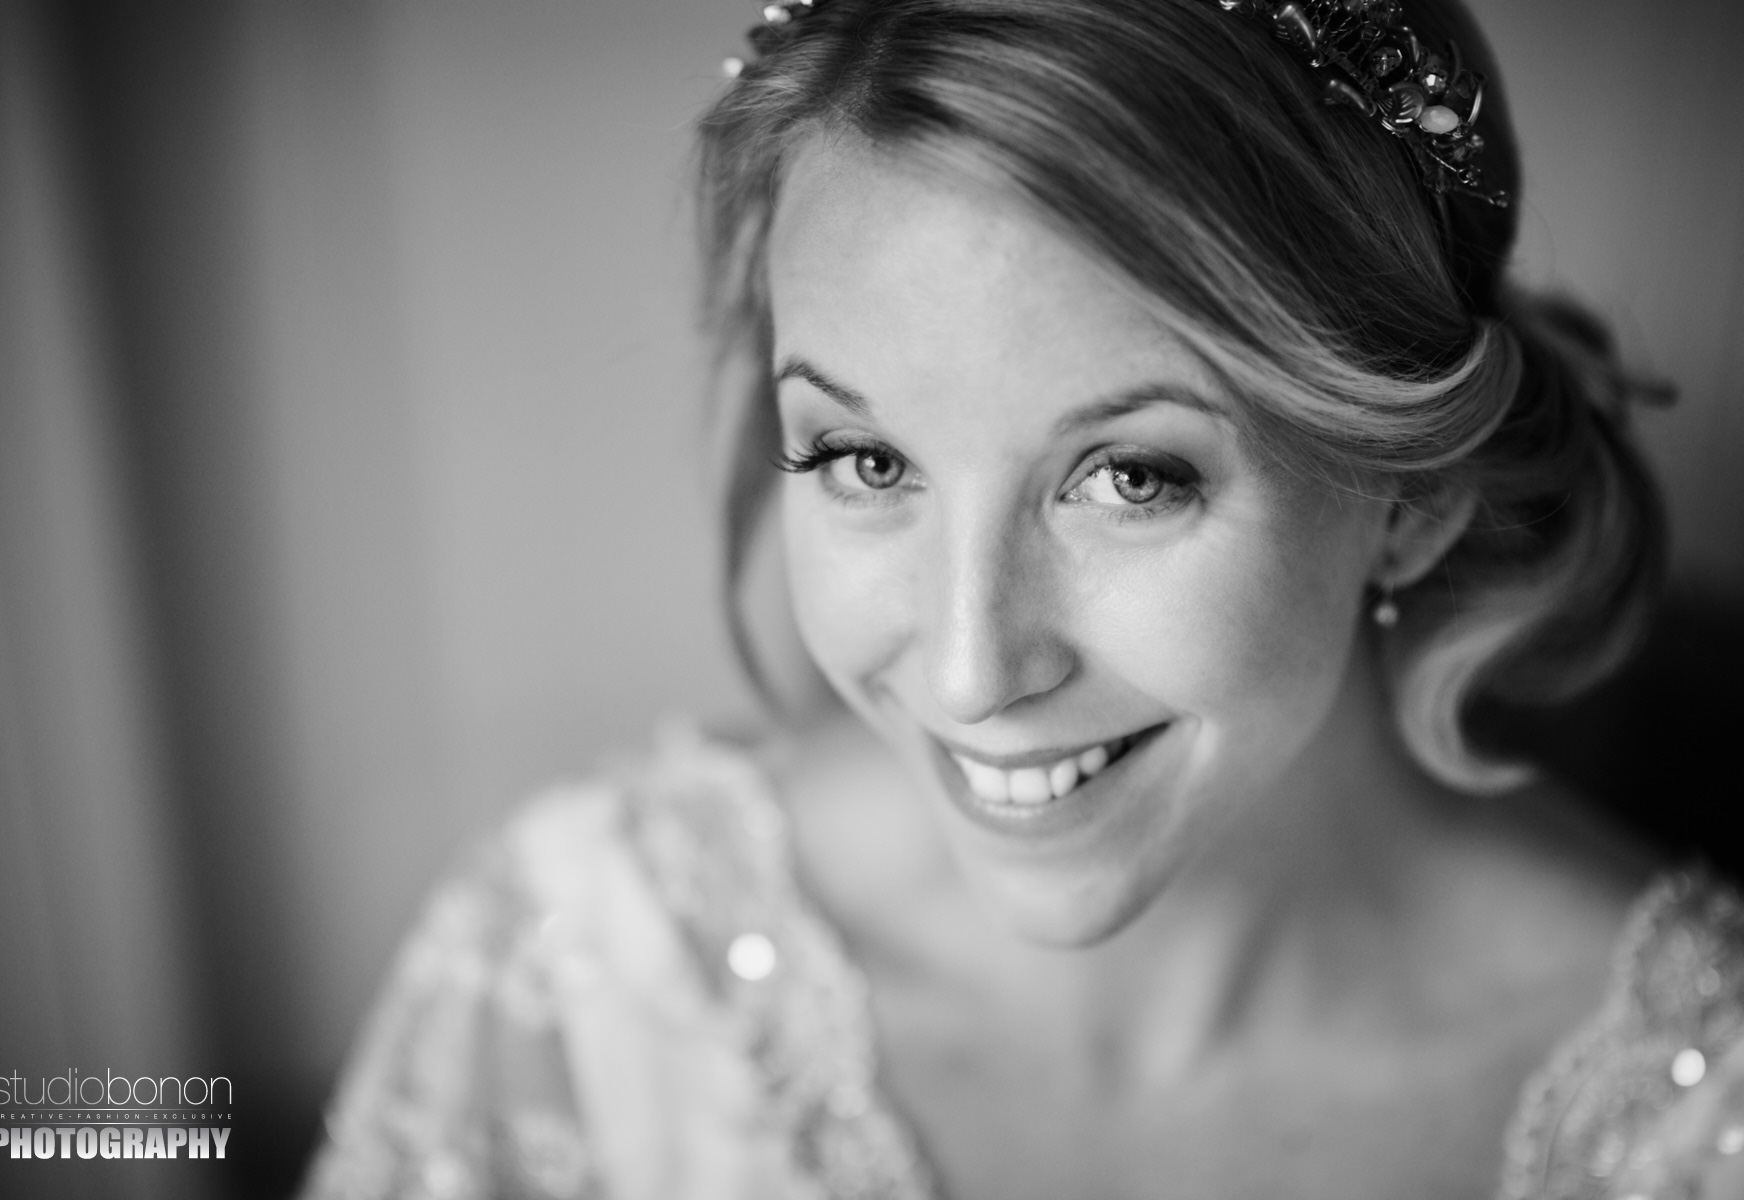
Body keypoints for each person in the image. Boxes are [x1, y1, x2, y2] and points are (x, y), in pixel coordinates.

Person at [300, 1, 1744, 1197]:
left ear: (1411, 497)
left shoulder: (1703, 1120)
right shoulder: (577, 985)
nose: (969, 672)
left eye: (1130, 479)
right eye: (866, 460)